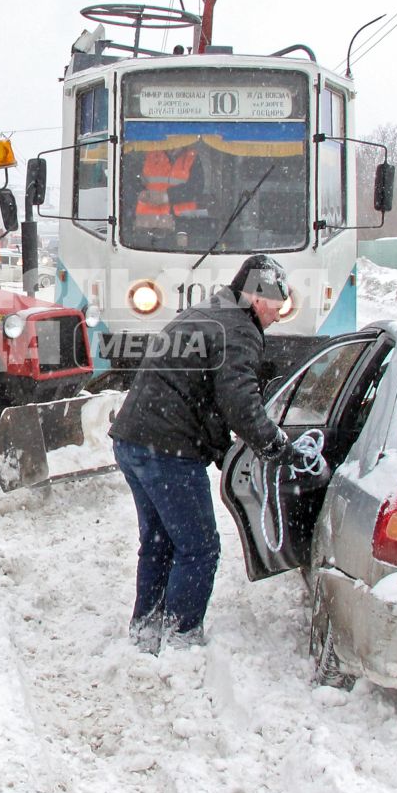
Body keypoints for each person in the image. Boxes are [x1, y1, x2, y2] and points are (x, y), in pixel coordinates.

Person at [108, 252, 303, 652]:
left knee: (160, 541)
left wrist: (220, 441)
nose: (277, 314)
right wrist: (275, 445)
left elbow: (207, 391)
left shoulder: (213, 311)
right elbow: (240, 402)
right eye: (275, 305)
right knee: (200, 547)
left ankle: (146, 631)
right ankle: (182, 637)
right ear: (256, 297)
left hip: (133, 439)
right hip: (167, 450)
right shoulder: (239, 328)